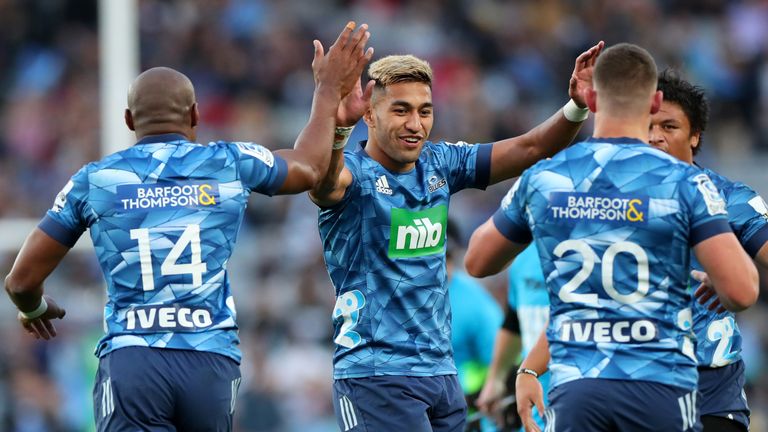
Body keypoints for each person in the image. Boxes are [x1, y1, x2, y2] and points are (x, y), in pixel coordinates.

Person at [4, 22, 373, 431]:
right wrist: (326, 90)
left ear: (128, 120)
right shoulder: (227, 163)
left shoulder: (96, 179)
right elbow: (311, 166)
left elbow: (20, 281)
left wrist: (33, 307)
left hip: (134, 359)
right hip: (209, 358)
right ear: (195, 115)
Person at [309, 38, 605, 431]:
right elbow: (322, 183)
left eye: (424, 111)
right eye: (401, 110)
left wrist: (577, 105)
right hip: (377, 375)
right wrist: (335, 127)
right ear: (371, 115)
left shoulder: (439, 163)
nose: (415, 124)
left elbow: (531, 148)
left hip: (441, 375)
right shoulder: (354, 174)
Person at [464, 43, 759, 432]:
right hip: (660, 385)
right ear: (654, 102)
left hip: (578, 386)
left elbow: (478, 262)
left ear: (589, 97)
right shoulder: (685, 182)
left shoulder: (545, 178)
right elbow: (741, 292)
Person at [475, 244, 548, 431]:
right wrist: (496, 379)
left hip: (580, 402)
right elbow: (515, 320)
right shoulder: (523, 255)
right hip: (534, 409)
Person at [444, 222, 504, 432]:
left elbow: (501, 364)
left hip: (465, 415)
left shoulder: (476, 304)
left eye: (447, 258)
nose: (444, 266)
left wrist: (466, 391)